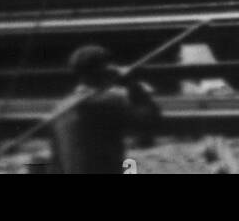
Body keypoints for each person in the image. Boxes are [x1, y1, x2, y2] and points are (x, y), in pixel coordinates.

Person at [52, 45, 161, 175]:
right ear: (106, 70)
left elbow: (56, 159)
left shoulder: (61, 107)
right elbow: (149, 122)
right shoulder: (109, 101)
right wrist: (133, 85)